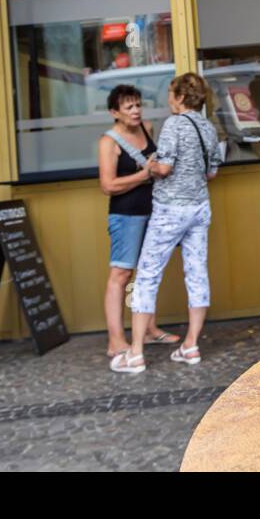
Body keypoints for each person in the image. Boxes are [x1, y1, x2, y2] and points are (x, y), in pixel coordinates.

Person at [113, 73, 220, 374]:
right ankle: (191, 345)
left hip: (170, 210)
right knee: (197, 273)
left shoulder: (174, 124)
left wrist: (151, 166)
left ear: (182, 97)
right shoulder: (208, 127)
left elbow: (166, 167)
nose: (168, 98)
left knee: (147, 275)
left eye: (172, 93)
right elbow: (211, 172)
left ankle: (134, 354)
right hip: (199, 208)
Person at [97, 84, 179, 358]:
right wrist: (144, 175)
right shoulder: (109, 142)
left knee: (147, 272)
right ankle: (116, 340)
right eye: (128, 107)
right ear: (114, 112)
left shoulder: (147, 128)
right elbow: (108, 185)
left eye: (137, 105)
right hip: (126, 215)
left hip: (153, 211)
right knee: (120, 275)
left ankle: (148, 329)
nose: (135, 111)